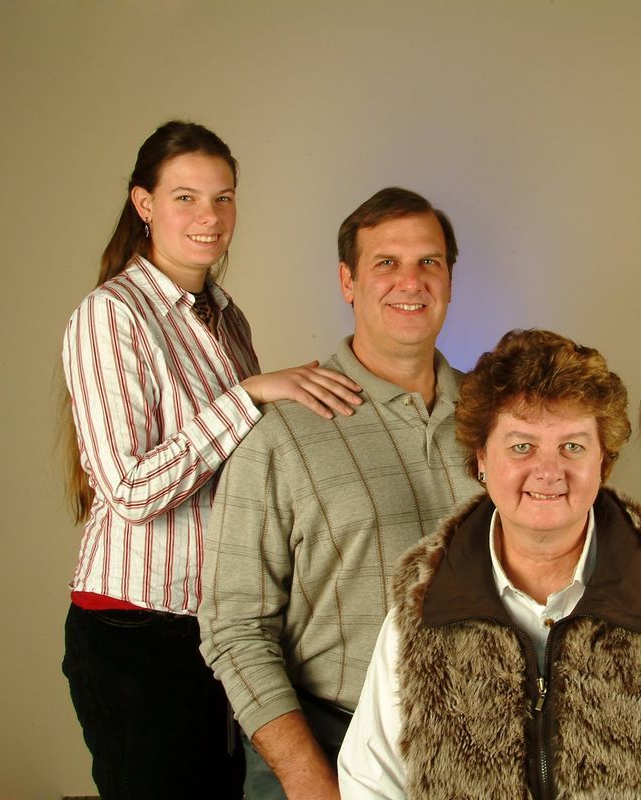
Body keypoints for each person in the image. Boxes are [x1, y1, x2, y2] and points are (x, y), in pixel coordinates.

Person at [338, 328, 641, 799]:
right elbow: (370, 781)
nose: (549, 471)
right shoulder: (425, 598)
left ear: (602, 461)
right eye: (521, 446)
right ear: (482, 457)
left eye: (573, 446)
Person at [61, 120, 362, 800]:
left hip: (222, 629)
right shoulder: (112, 314)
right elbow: (130, 490)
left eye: (223, 198)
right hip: (138, 628)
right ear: (144, 204)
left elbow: (244, 469)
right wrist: (249, 395)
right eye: (186, 198)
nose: (211, 217)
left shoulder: (226, 317)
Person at [198, 187, 481, 800]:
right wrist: (306, 777)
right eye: (386, 262)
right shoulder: (280, 433)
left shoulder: (500, 420)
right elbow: (234, 627)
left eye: (429, 262)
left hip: (477, 751)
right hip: (328, 746)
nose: (411, 281)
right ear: (347, 281)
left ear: (450, 280)